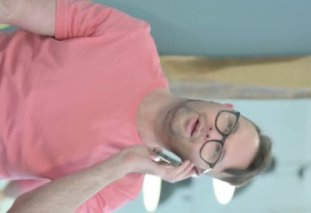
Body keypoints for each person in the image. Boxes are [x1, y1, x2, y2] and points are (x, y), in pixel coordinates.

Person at [0, 0, 273, 212]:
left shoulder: (117, 184)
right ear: (223, 105)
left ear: (196, 170)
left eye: (216, 151)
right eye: (228, 124)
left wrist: (120, 165)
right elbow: (12, 7)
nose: (213, 133)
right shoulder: (130, 37)